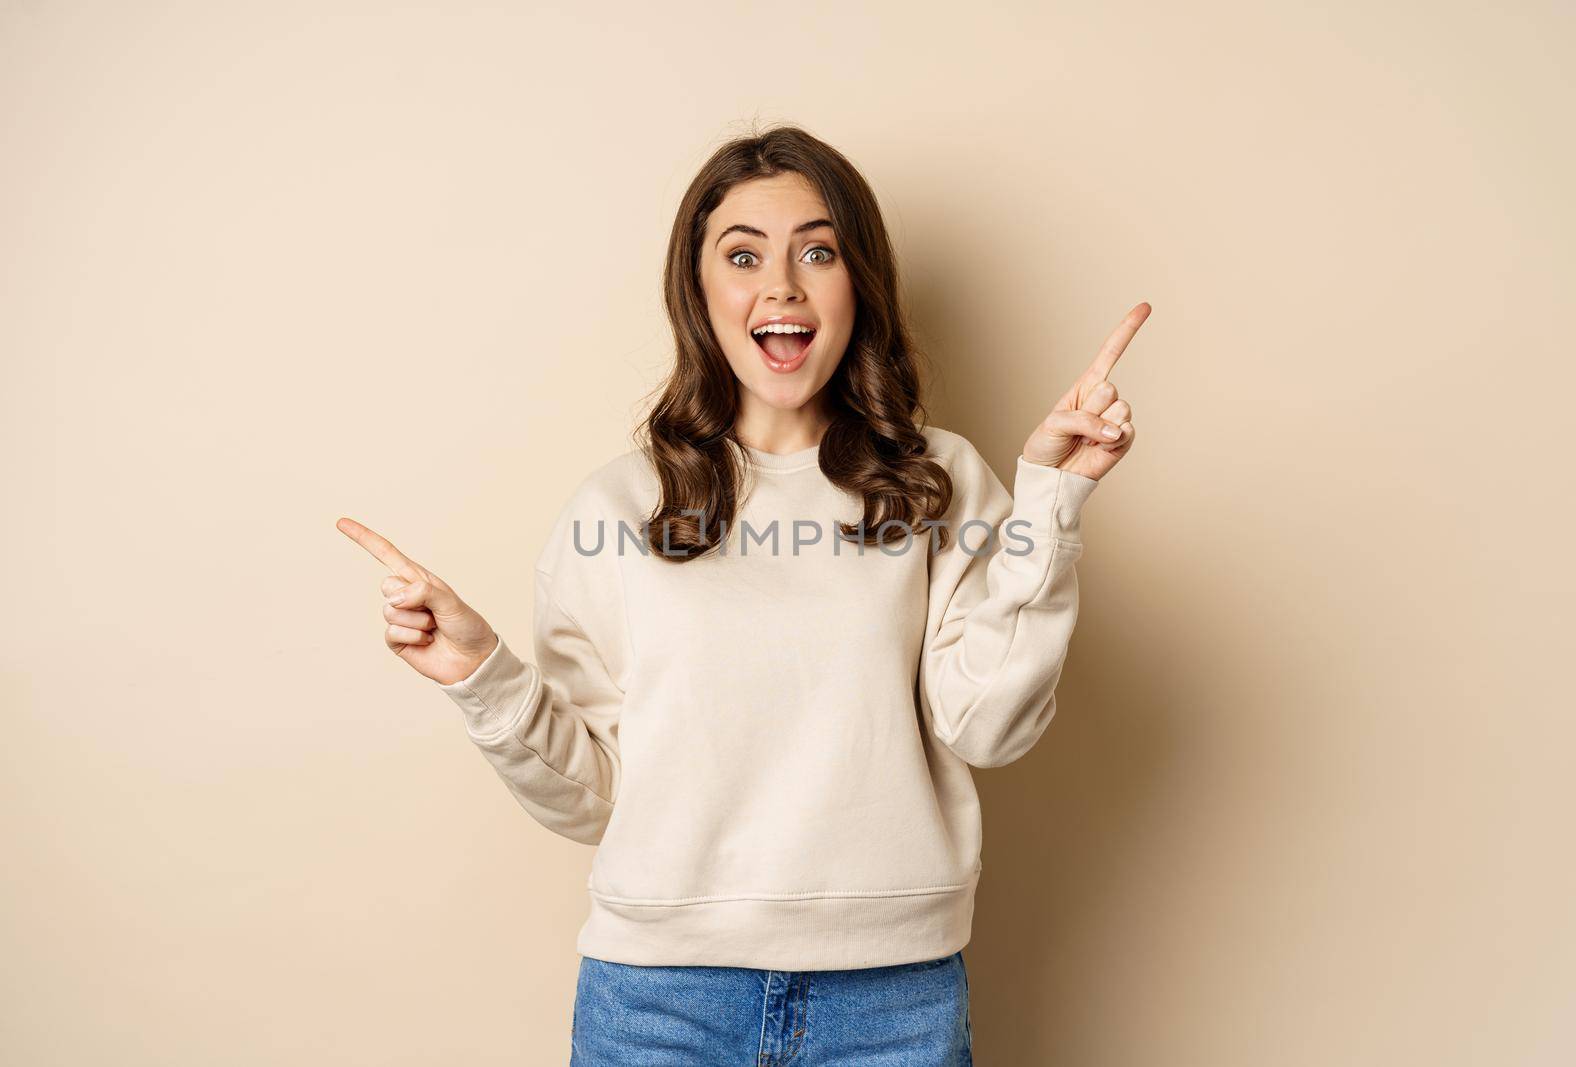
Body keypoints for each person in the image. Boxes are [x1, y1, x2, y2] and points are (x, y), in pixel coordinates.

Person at [338, 124, 1143, 1065]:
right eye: (743, 254)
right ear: (701, 291)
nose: (782, 286)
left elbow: (988, 725)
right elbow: (595, 797)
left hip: (895, 1003)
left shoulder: (940, 482)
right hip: (657, 1005)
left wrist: (1053, 497)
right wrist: (479, 673)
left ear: (859, 283)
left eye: (817, 250)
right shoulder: (617, 507)